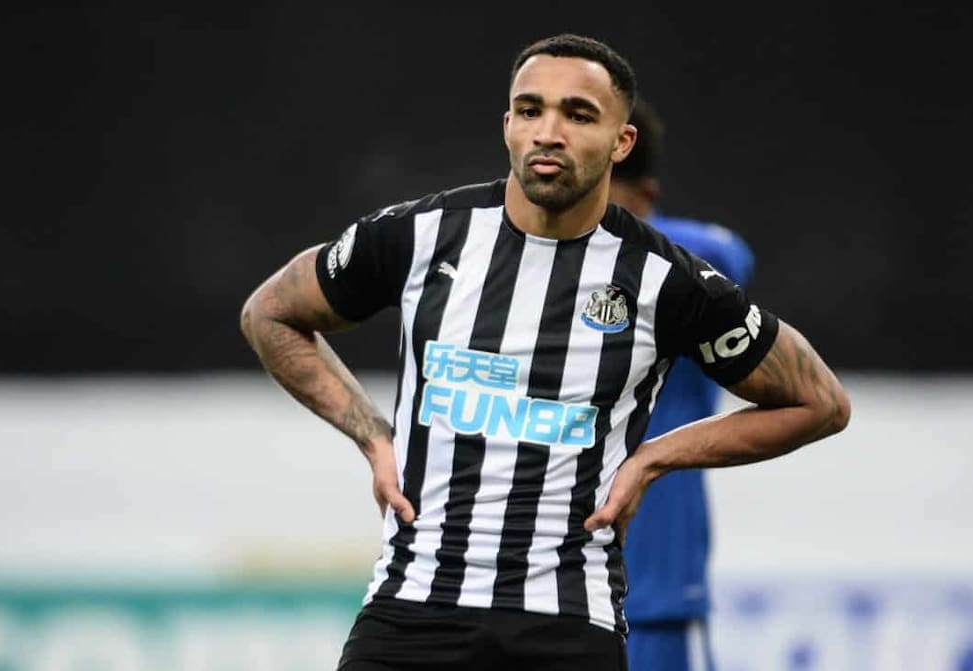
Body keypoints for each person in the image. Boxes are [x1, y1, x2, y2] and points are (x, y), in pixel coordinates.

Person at [240, 33, 850, 671]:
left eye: (578, 114)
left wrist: (654, 459)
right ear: (507, 123)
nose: (548, 132)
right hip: (410, 608)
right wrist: (371, 435)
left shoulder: (665, 279)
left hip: (565, 624)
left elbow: (820, 402)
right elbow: (270, 313)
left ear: (622, 142)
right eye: (530, 110)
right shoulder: (419, 236)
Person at [610, 99, 755, 671]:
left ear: (643, 198)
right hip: (548, 602)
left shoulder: (686, 269)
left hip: (653, 591)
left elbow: (727, 256)